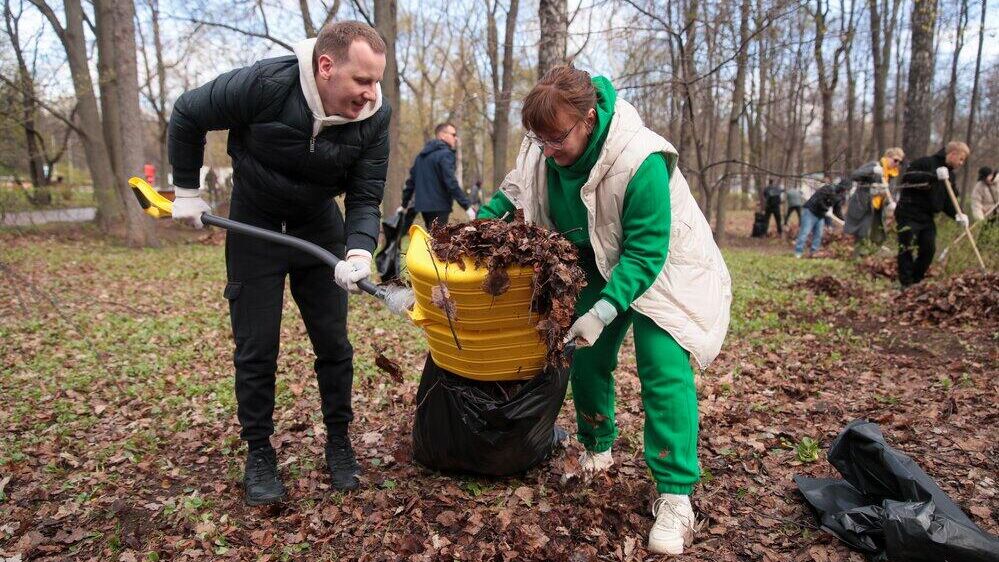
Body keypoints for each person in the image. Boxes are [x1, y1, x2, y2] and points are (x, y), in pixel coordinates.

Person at [477, 65, 732, 555]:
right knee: (587, 358)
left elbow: (644, 253)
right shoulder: (542, 147)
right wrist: (471, 232)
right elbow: (511, 197)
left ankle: (676, 496)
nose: (547, 150)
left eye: (557, 139)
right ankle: (598, 446)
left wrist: (610, 307)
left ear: (588, 118)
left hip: (665, 267)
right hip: (593, 260)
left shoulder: (640, 159)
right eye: (539, 139)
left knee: (663, 367)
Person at [167, 21, 391, 504]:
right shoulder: (265, 84)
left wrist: (357, 249)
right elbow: (187, 112)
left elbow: (367, 192)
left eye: (377, 81)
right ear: (325, 66)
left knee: (334, 342)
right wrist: (186, 189)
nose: (371, 94)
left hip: (317, 224)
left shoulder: (375, 116)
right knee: (256, 346)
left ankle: (339, 442)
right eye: (362, 81)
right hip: (256, 222)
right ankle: (259, 454)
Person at [895, 141, 970, 288]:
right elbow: (908, 179)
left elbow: (948, 201)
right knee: (907, 247)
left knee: (929, 249)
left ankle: (916, 280)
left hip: (927, 218)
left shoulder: (950, 177)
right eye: (961, 159)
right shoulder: (924, 163)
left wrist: (958, 214)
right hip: (908, 213)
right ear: (952, 154)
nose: (961, 163)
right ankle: (905, 283)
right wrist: (933, 176)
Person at [400, 122, 476, 228]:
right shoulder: (446, 154)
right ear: (442, 135)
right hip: (440, 206)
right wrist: (467, 206)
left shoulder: (421, 156)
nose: (456, 138)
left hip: (424, 208)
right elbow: (451, 182)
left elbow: (410, 183)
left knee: (431, 239)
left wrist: (404, 204)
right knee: (438, 241)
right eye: (453, 135)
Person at [844, 147, 905, 255]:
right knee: (862, 233)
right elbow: (855, 175)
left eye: (900, 162)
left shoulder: (892, 175)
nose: (897, 163)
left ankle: (868, 256)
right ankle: (857, 258)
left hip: (878, 210)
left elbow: (889, 192)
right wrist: (871, 171)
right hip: (865, 205)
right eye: (895, 160)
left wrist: (890, 202)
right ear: (888, 157)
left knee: (879, 235)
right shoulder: (875, 165)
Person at [795, 179, 849, 258]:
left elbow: (837, 210)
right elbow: (819, 200)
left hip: (820, 215)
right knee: (805, 232)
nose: (845, 191)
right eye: (845, 189)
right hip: (810, 211)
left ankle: (813, 252)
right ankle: (798, 252)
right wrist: (826, 209)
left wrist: (844, 220)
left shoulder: (839, 196)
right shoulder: (828, 188)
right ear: (841, 186)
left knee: (818, 235)